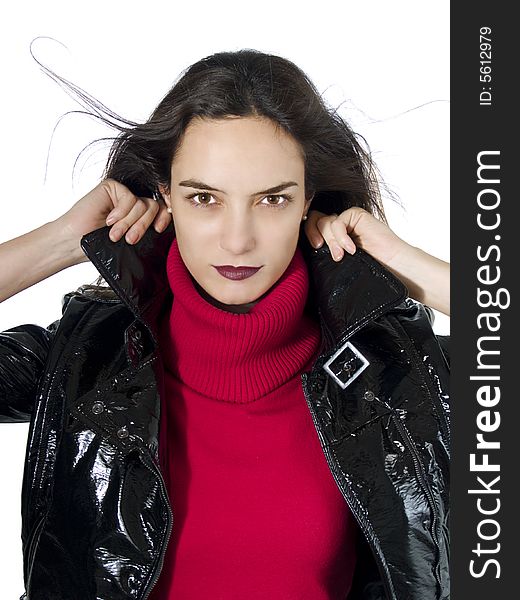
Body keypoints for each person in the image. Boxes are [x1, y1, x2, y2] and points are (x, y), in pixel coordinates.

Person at [0, 49, 449, 600]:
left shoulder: (394, 375)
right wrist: (58, 242)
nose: (238, 240)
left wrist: (403, 264)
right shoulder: (84, 359)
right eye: (205, 198)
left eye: (272, 199)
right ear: (165, 193)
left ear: (308, 201)